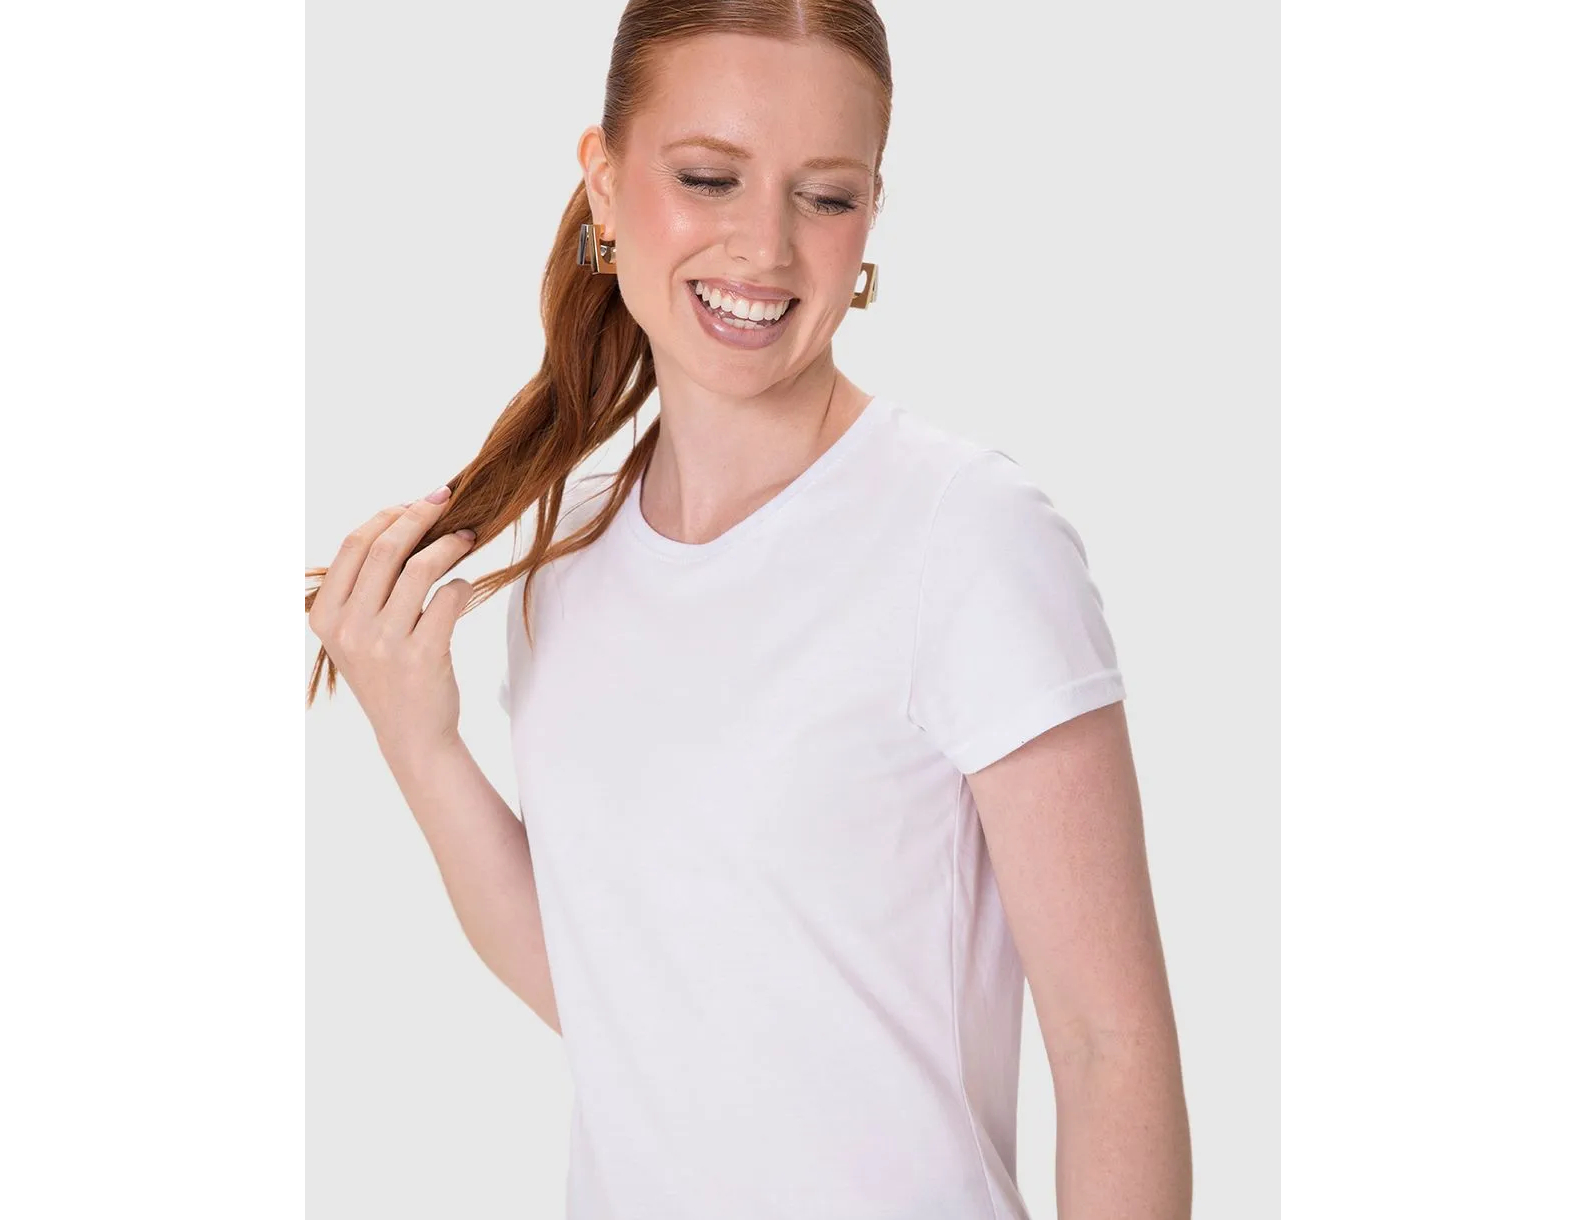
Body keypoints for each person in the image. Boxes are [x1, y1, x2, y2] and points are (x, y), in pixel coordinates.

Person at [305, 2, 1191, 1216]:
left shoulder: (965, 535)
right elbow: (617, 997)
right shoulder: (571, 555)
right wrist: (419, 741)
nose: (763, 247)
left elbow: (1108, 1047)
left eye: (823, 196)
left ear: (870, 213)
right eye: (708, 177)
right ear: (603, 183)